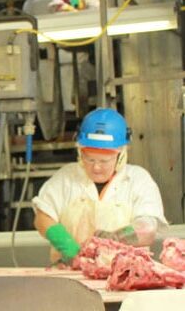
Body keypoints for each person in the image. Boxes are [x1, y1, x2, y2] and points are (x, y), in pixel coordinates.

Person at [32, 109, 167, 262]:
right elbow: (43, 217)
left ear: (120, 155)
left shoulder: (137, 180)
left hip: (127, 276)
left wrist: (115, 238)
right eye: (90, 159)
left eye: (104, 161)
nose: (96, 167)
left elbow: (148, 228)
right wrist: (68, 248)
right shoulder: (66, 178)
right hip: (71, 273)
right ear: (80, 152)